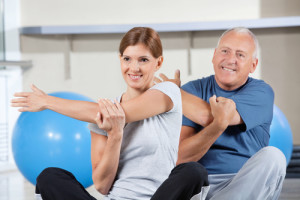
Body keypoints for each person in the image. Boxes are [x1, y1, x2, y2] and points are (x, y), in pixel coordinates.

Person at [11, 27, 209, 200]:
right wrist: (115, 136)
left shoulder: (168, 92)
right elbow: (102, 186)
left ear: (158, 63)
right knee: (49, 177)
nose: (134, 67)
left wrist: (47, 101)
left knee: (193, 171)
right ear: (120, 59)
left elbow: (115, 114)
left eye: (143, 60)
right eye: (127, 59)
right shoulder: (99, 116)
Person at [156, 27, 286, 200]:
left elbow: (213, 116)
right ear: (214, 55)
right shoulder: (193, 90)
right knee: (187, 171)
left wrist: (173, 92)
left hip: (245, 184)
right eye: (225, 51)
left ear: (253, 65)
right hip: (201, 187)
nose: (230, 59)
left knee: (274, 157)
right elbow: (181, 157)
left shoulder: (262, 92)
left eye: (240, 55)